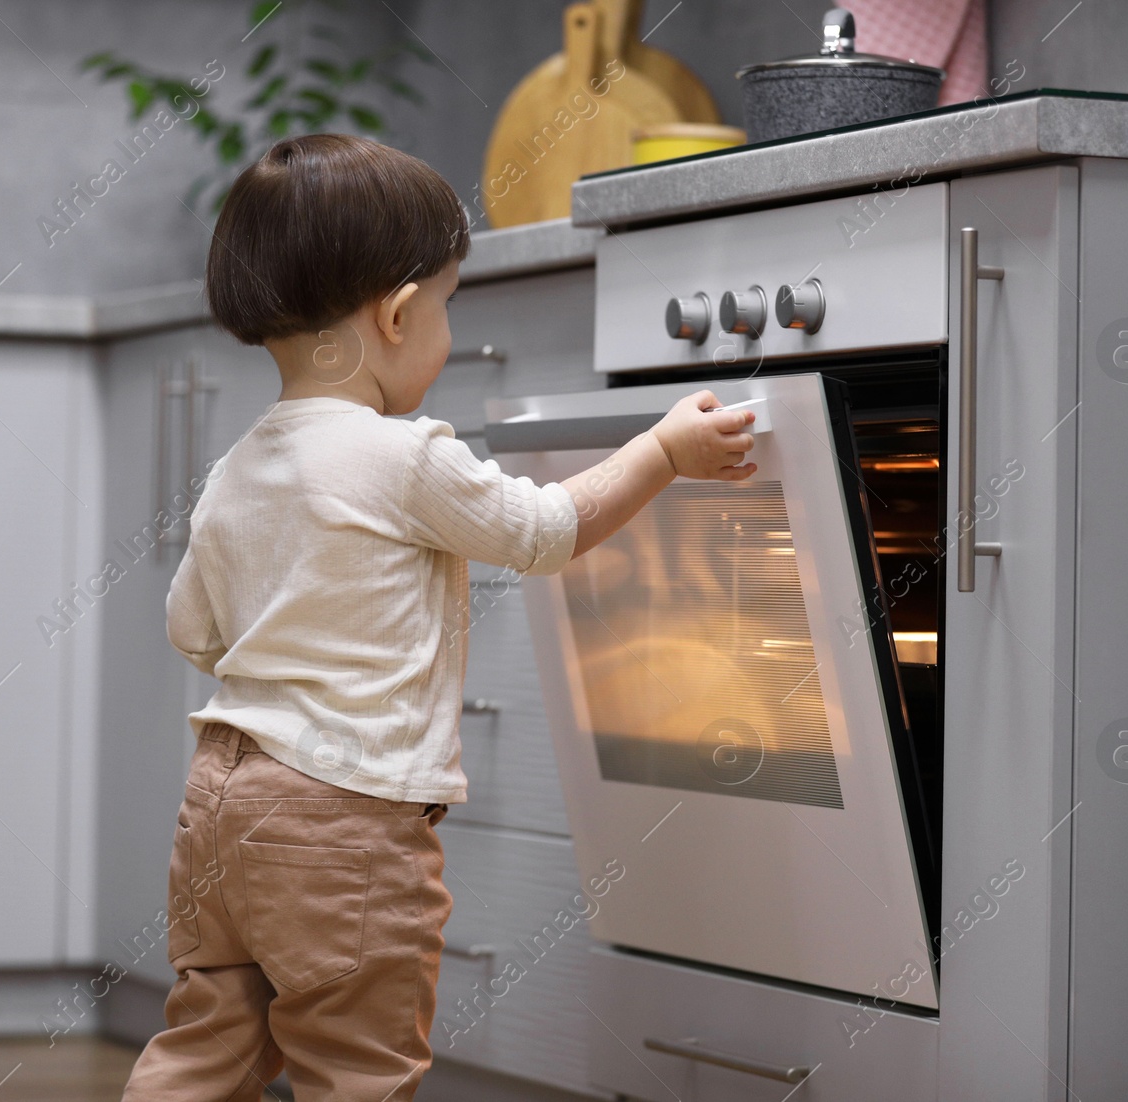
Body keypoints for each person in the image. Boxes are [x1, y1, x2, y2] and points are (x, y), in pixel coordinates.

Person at [120, 132, 755, 1102]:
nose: (445, 331)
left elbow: (192, 632)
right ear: (399, 313)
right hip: (342, 818)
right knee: (357, 1065)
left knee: (211, 1045)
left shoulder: (234, 470)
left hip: (218, 802)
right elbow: (543, 530)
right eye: (448, 306)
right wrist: (662, 449)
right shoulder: (405, 457)